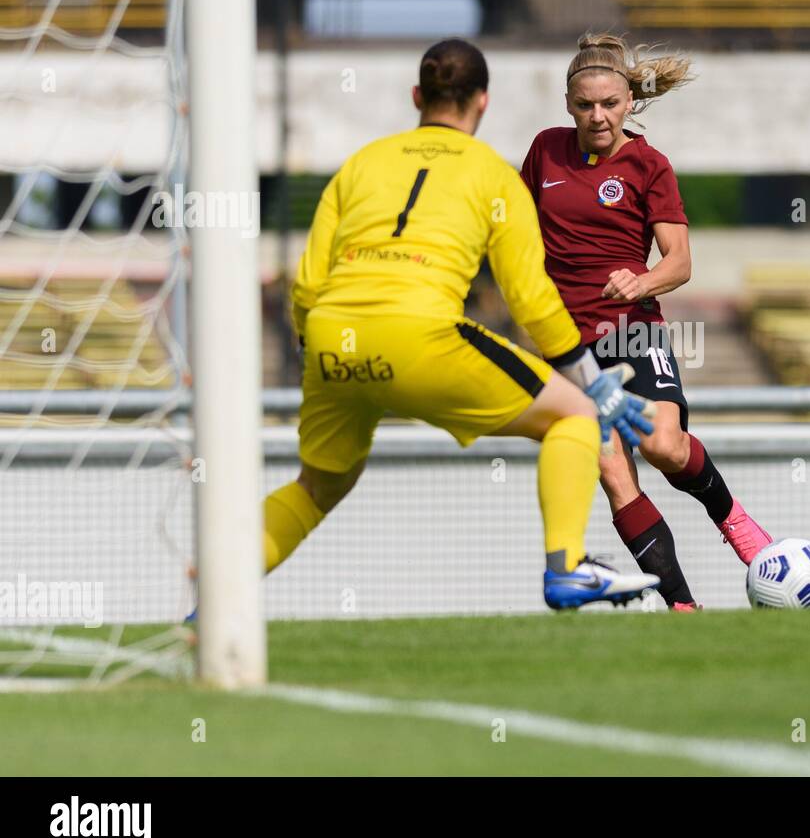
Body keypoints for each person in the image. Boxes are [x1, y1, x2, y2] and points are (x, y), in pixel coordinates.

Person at [265, 38, 660, 611]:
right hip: (421, 336)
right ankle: (568, 568)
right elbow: (529, 297)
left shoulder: (363, 163)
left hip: (331, 342)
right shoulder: (493, 175)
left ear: (417, 96)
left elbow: (305, 283)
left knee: (315, 489)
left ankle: (215, 599)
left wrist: (317, 352)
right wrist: (590, 380)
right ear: (483, 102)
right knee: (574, 415)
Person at [521, 33, 773, 611]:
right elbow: (514, 232)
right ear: (568, 105)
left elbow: (680, 261)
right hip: (566, 345)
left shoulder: (648, 165)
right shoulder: (545, 152)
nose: (598, 116)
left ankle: (731, 517)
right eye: (585, 105)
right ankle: (682, 606)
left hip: (633, 331)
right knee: (613, 471)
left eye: (609, 103)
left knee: (662, 445)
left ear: (629, 101)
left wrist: (641, 280)